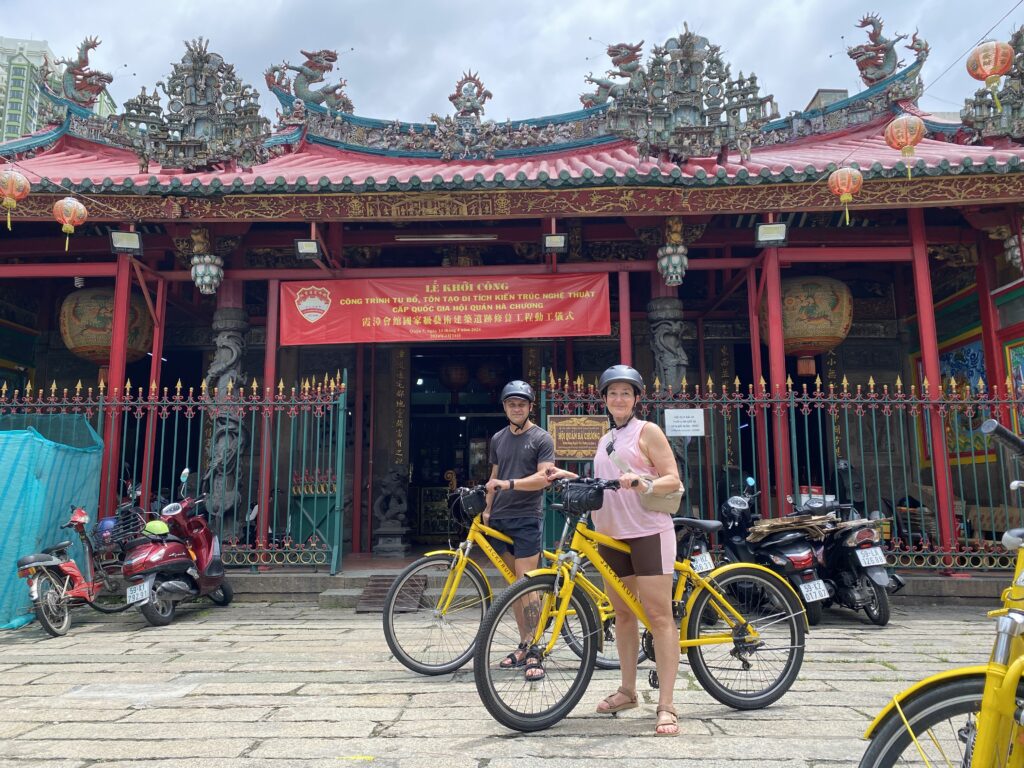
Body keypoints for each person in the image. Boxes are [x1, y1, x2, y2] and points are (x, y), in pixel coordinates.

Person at [552, 364, 682, 736]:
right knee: (623, 615)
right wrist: (570, 477)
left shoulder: (648, 431)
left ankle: (667, 705)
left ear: (637, 398)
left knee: (658, 617)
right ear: (605, 399)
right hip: (610, 536)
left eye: (626, 393)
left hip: (647, 533)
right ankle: (628, 690)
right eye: (612, 393)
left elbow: (672, 478)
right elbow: (605, 483)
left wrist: (642, 481)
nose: (618, 398)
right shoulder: (605, 437)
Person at [482, 379, 556, 681]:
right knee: (514, 588)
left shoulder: (541, 438)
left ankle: (536, 649)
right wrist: (488, 507)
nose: (516, 408)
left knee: (528, 587)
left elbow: (544, 478)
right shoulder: (498, 438)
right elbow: (494, 476)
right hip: (500, 519)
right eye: (511, 403)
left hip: (526, 517)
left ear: (530, 407)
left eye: (521, 404)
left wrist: (510, 485)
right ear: (504, 407)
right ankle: (524, 644)